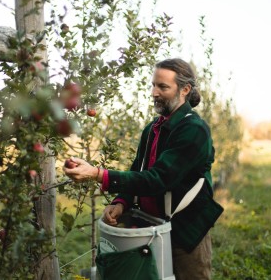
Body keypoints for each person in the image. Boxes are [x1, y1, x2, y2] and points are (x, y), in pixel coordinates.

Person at [63, 58, 224, 280]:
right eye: (153, 85)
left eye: (163, 87)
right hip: (151, 227)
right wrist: (122, 202)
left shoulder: (193, 130)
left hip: (185, 230)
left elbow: (157, 179)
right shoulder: (153, 129)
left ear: (185, 89)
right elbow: (138, 170)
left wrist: (97, 174)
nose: (154, 92)